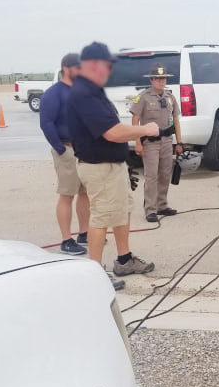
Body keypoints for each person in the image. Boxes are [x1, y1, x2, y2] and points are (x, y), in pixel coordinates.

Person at [66, 42, 159, 288]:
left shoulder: (93, 91)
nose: (109, 71)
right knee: (102, 217)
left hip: (112, 166)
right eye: (107, 65)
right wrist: (145, 129)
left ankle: (124, 259)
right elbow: (112, 133)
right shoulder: (84, 94)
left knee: (121, 211)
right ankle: (94, 274)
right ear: (93, 65)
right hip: (99, 167)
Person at [39, 52, 90, 256]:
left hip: (84, 149)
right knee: (67, 194)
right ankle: (66, 239)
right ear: (66, 68)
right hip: (66, 149)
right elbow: (46, 123)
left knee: (85, 193)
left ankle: (84, 233)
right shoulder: (54, 93)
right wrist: (60, 149)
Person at [131, 64, 182, 223]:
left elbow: (176, 120)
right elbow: (135, 120)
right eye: (158, 79)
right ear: (152, 80)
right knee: (151, 175)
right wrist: (137, 142)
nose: (161, 82)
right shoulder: (143, 97)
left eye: (164, 79)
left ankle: (162, 205)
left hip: (167, 141)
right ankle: (150, 209)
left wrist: (179, 142)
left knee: (165, 174)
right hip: (151, 143)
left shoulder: (170, 97)